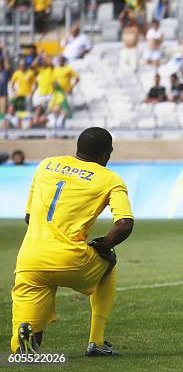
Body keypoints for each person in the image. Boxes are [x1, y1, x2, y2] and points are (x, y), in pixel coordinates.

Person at [10, 127, 134, 355]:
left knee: (28, 331)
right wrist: (105, 245)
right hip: (72, 260)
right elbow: (124, 224)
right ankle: (96, 342)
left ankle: (25, 345)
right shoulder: (110, 179)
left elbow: (29, 217)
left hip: (30, 260)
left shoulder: (46, 165)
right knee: (109, 262)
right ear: (107, 153)